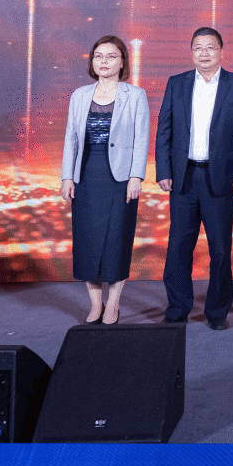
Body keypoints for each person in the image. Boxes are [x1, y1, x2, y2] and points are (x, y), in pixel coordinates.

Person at [155, 27, 233, 330]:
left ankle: (218, 311)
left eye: (210, 47)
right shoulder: (177, 83)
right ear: (191, 52)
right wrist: (164, 171)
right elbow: (164, 130)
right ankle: (177, 308)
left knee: (220, 249)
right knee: (178, 246)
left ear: (221, 51)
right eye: (198, 48)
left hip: (222, 178)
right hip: (183, 177)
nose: (204, 53)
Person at [61, 35, 150, 324]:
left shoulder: (135, 95)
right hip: (86, 174)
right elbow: (71, 139)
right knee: (87, 240)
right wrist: (67, 176)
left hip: (120, 177)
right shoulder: (79, 95)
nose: (104, 61)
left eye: (111, 56)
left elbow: (141, 139)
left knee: (116, 241)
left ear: (122, 62)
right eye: (98, 56)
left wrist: (136, 176)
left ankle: (113, 304)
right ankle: (95, 304)